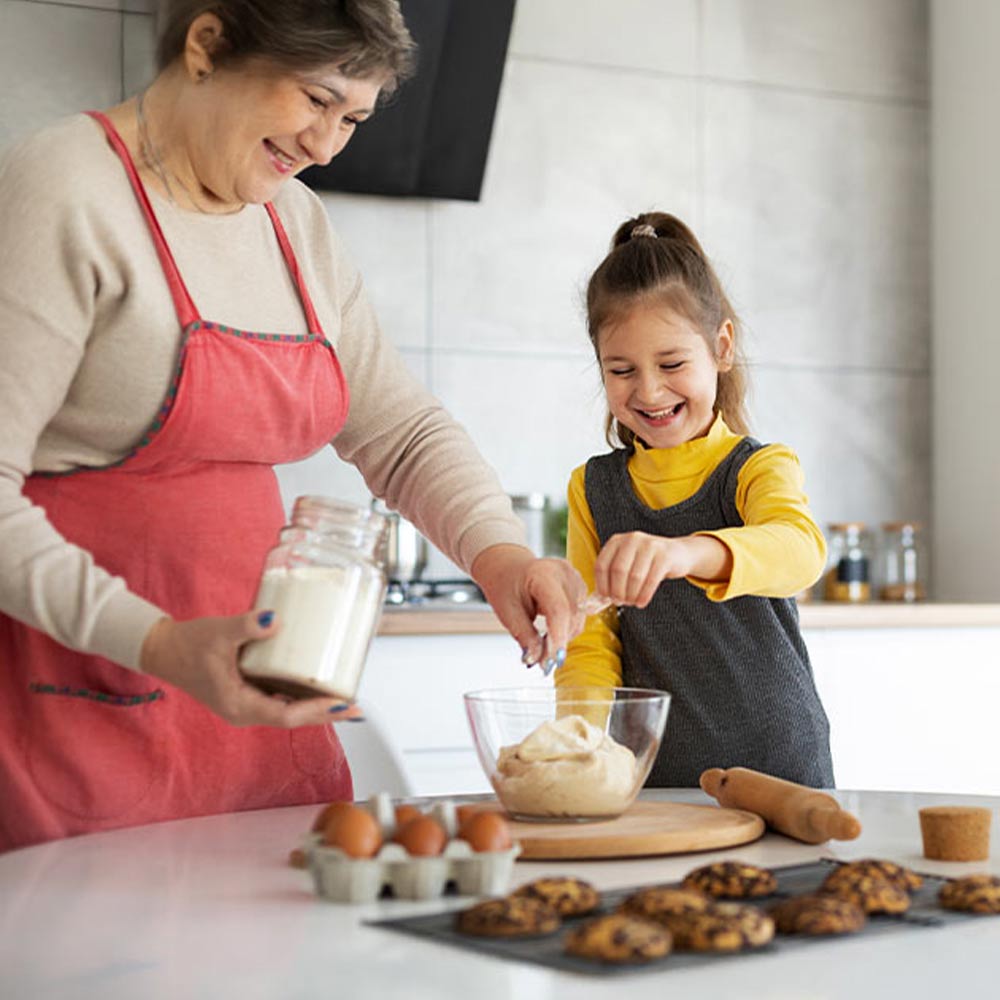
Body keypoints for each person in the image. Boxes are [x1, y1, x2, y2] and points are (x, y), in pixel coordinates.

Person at [0, 0, 586, 852]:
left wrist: (499, 552)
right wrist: (159, 643)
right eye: (316, 99)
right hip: (82, 699)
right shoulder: (65, 186)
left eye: (353, 117)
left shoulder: (293, 221)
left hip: (260, 714)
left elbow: (399, 427)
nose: (326, 145)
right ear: (207, 46)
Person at [555, 211, 834, 788]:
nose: (650, 390)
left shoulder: (756, 467)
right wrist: (576, 741)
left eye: (673, 363)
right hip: (656, 778)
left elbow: (800, 552)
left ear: (722, 347)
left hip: (781, 769)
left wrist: (685, 553)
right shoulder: (593, 489)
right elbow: (590, 641)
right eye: (621, 369)